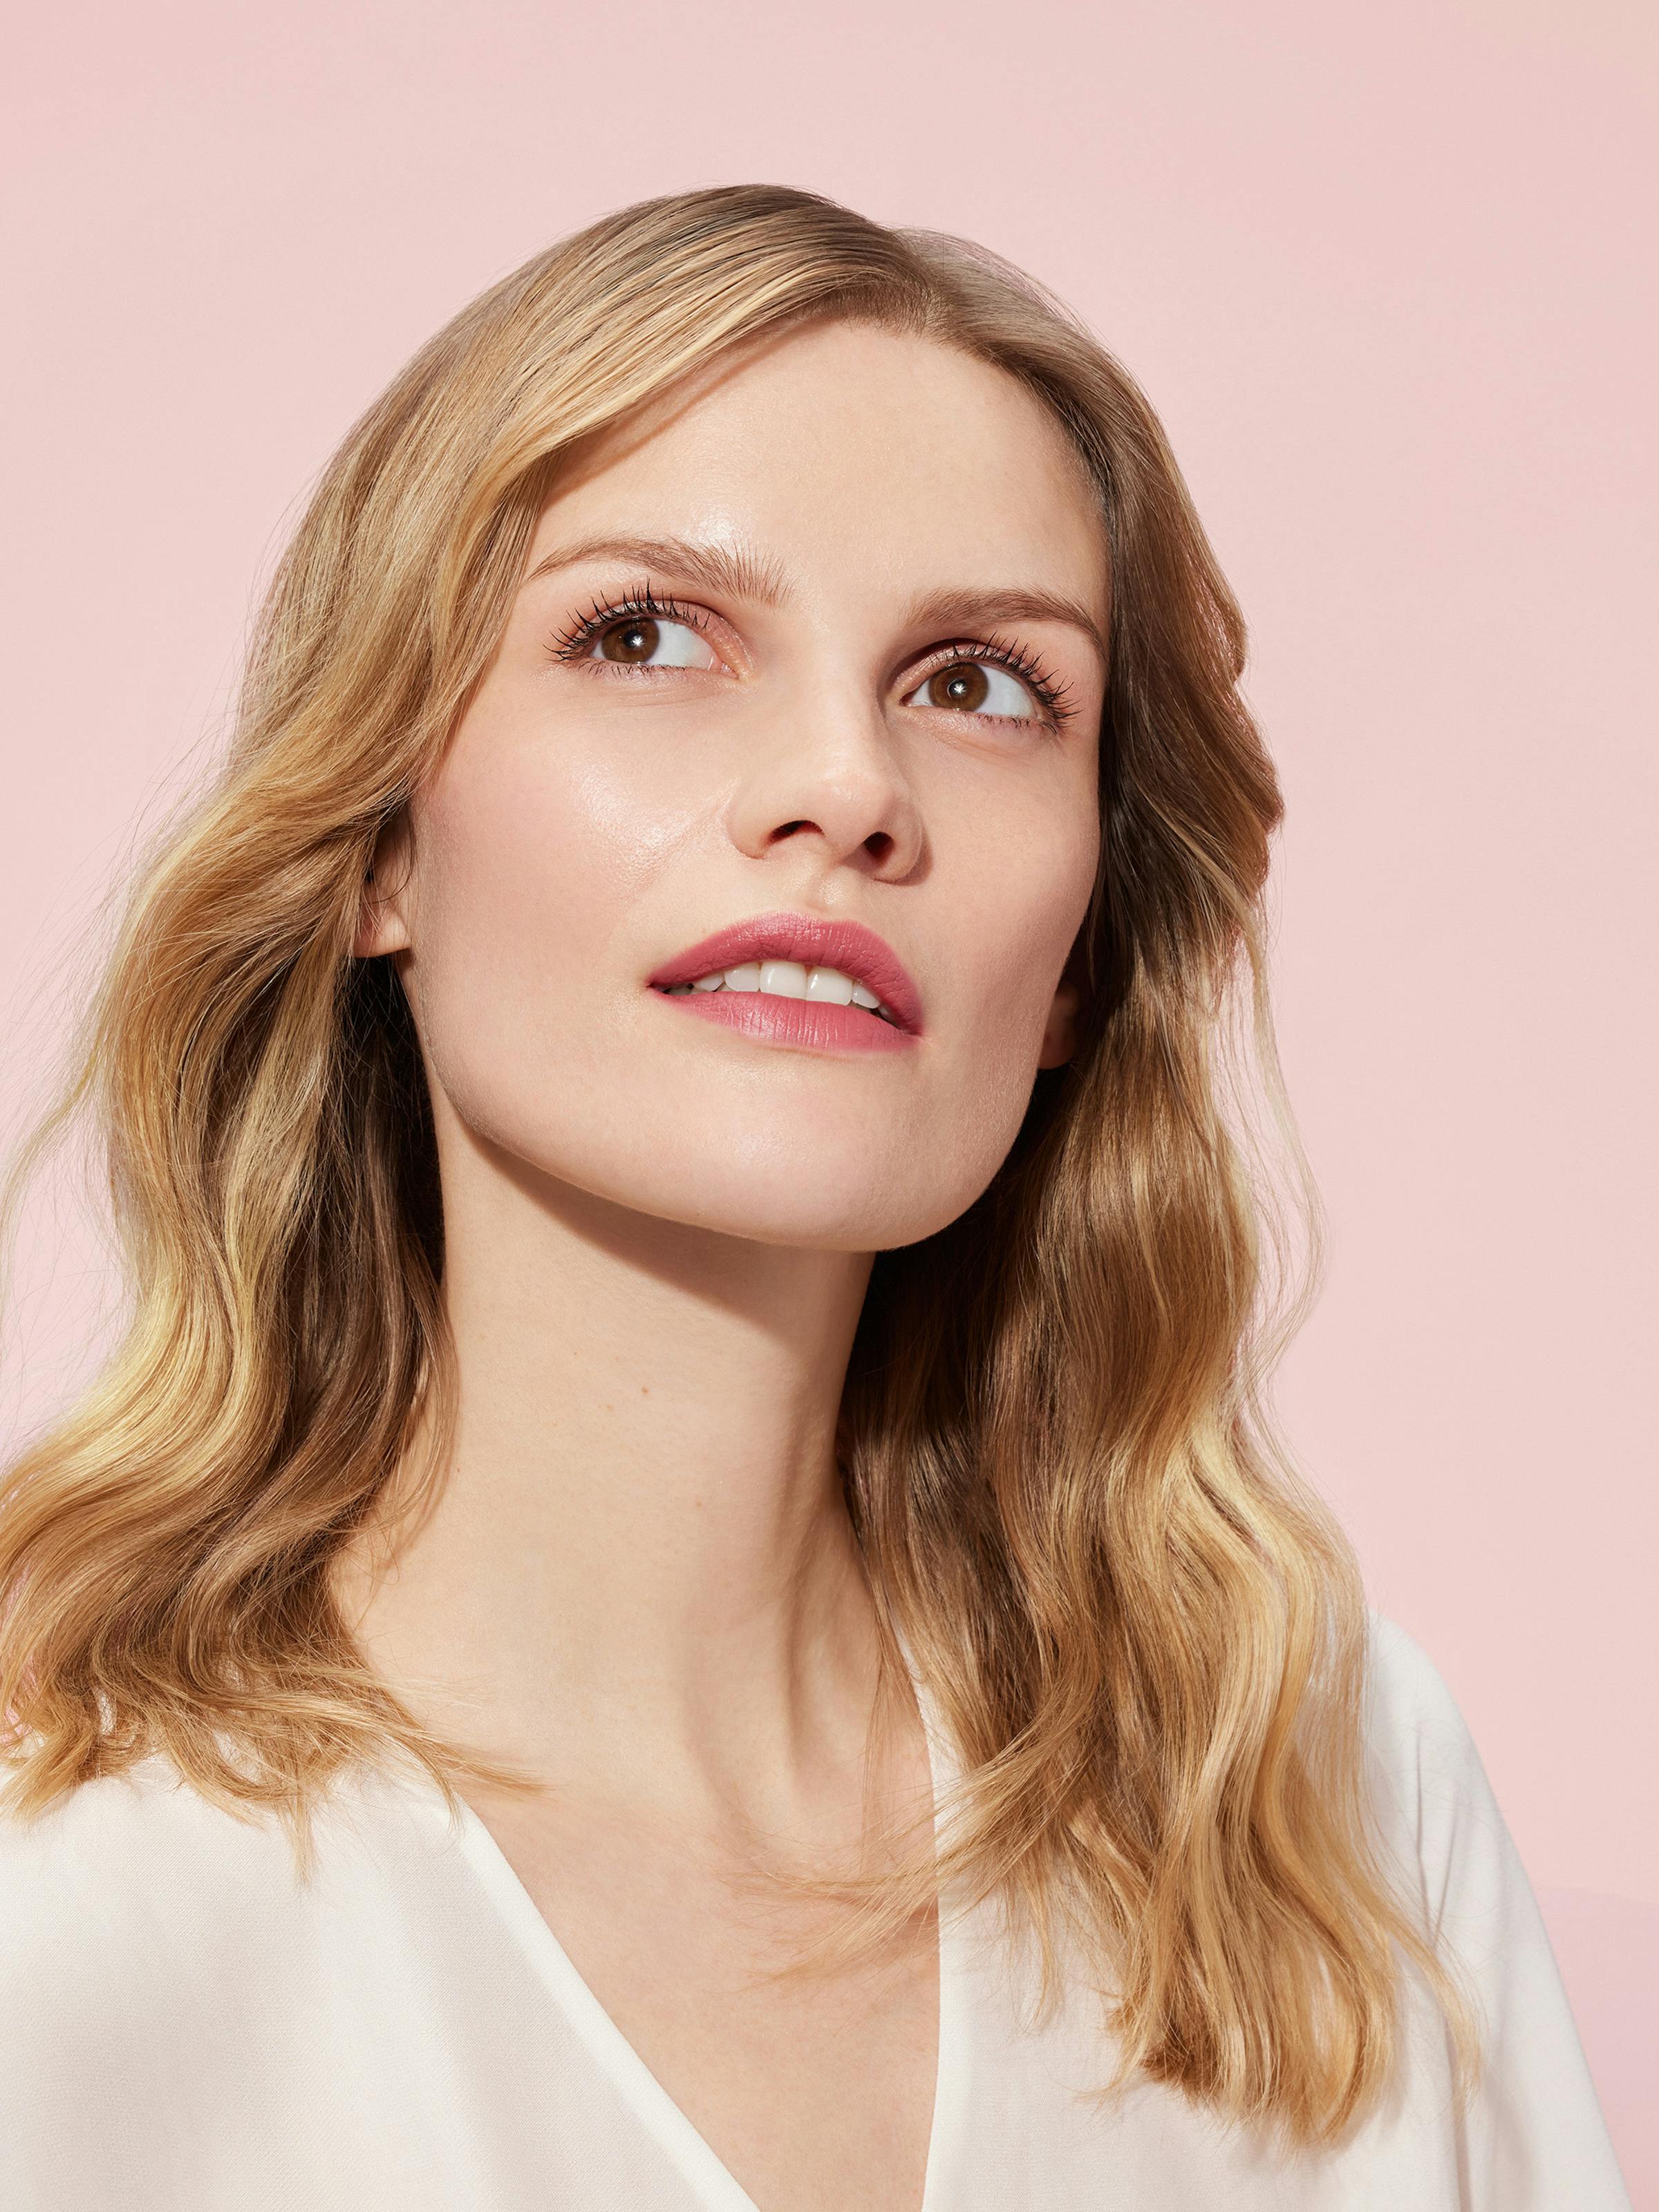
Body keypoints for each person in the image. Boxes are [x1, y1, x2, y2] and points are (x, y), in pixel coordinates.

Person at [0, 185, 1629, 2211]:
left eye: (980, 685)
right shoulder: (55, 1877)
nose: (849, 781)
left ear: (1079, 967)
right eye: (647, 634)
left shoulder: (1323, 1810)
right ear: (375, 853)